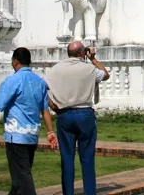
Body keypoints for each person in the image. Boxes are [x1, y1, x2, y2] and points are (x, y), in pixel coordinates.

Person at [0, 47, 58, 195]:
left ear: (15, 62)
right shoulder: (39, 82)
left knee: (22, 178)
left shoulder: (13, 80)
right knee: (20, 176)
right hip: (32, 135)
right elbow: (45, 110)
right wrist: (50, 131)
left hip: (16, 135)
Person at [45, 41, 109, 195]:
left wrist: (52, 104)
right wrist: (93, 58)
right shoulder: (89, 68)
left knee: (67, 159)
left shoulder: (56, 69)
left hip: (64, 114)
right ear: (82, 53)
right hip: (84, 113)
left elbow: (42, 87)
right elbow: (105, 74)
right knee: (87, 158)